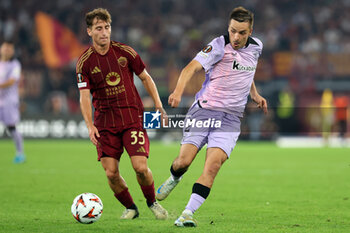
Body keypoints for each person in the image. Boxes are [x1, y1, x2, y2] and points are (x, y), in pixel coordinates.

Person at [156, 6, 268, 227]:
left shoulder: (257, 47)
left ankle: (187, 214)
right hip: (204, 111)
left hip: (231, 118)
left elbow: (248, 70)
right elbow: (190, 69)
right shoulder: (218, 46)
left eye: (242, 33)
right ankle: (174, 177)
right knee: (184, 162)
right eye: (233, 31)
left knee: (213, 166)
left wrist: (254, 93)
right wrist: (178, 92)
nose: (236, 37)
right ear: (228, 27)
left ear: (250, 31)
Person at [76, 8, 167, 220]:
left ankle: (152, 203)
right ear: (89, 31)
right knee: (111, 173)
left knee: (141, 168)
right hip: (105, 123)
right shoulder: (84, 62)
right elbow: (84, 97)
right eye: (99, 28)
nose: (104, 32)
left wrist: (158, 105)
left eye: (107, 27)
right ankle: (131, 208)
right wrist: (90, 126)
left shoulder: (125, 52)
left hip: (132, 117)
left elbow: (146, 78)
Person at [0, 40, 26, 163]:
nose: (7, 50)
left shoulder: (15, 64)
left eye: (9, 49)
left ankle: (20, 154)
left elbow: (12, 81)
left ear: (13, 51)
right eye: (5, 48)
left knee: (11, 127)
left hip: (9, 102)